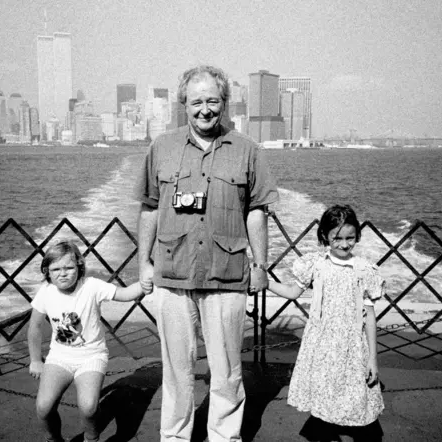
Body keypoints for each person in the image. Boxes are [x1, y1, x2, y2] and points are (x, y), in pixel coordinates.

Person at [135, 65, 279, 441]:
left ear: (225, 103)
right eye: (196, 101)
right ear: (183, 103)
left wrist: (260, 265)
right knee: (176, 371)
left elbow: (257, 211)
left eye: (212, 101)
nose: (204, 109)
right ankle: (175, 437)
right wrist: (143, 264)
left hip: (227, 277)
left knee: (228, 371)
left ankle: (224, 437)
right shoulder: (161, 148)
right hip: (171, 274)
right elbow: (149, 207)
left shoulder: (248, 151)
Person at [264, 205, 385, 442]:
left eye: (350, 237)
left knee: (355, 397)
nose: (344, 244)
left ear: (357, 236)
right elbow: (291, 292)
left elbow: (369, 316)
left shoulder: (363, 269)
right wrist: (265, 282)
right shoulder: (316, 264)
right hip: (322, 345)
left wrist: (373, 359)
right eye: (336, 238)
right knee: (324, 397)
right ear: (325, 237)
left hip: (353, 346)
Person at [27, 239, 151, 442]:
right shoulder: (46, 292)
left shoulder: (92, 286)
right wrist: (35, 360)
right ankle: (53, 439)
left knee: (88, 406)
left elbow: (124, 293)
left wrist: (144, 284)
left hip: (92, 356)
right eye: (56, 268)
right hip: (59, 356)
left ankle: (91, 438)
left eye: (69, 267)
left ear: (79, 266)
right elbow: (34, 327)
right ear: (47, 271)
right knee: (44, 407)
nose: (63, 273)